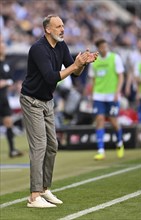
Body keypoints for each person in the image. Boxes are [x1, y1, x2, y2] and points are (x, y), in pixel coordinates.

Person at [20, 14, 98, 208]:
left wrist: (82, 63)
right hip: (31, 101)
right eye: (58, 26)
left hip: (47, 101)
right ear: (48, 29)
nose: (62, 29)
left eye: (63, 26)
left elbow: (75, 72)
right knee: (39, 146)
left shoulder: (61, 45)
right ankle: (34, 196)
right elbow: (51, 77)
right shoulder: (38, 49)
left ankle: (45, 189)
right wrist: (74, 65)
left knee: (52, 145)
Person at [88, 39, 124, 160]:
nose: (104, 48)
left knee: (114, 121)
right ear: (98, 48)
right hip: (99, 95)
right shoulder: (94, 61)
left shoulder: (115, 58)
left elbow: (120, 77)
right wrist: (92, 94)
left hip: (112, 95)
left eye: (105, 46)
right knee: (99, 119)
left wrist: (117, 92)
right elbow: (92, 79)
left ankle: (119, 143)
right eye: (102, 47)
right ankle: (101, 150)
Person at [0, 37, 23, 158]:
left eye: (3, 43)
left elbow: (9, 81)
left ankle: (12, 150)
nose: (3, 46)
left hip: (4, 98)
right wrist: (5, 82)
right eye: (1, 43)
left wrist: (15, 85)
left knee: (8, 122)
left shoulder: (6, 64)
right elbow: (5, 81)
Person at [134, 37, 141, 123]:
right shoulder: (137, 58)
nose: (139, 45)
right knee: (140, 112)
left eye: (140, 43)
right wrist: (138, 92)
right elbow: (136, 78)